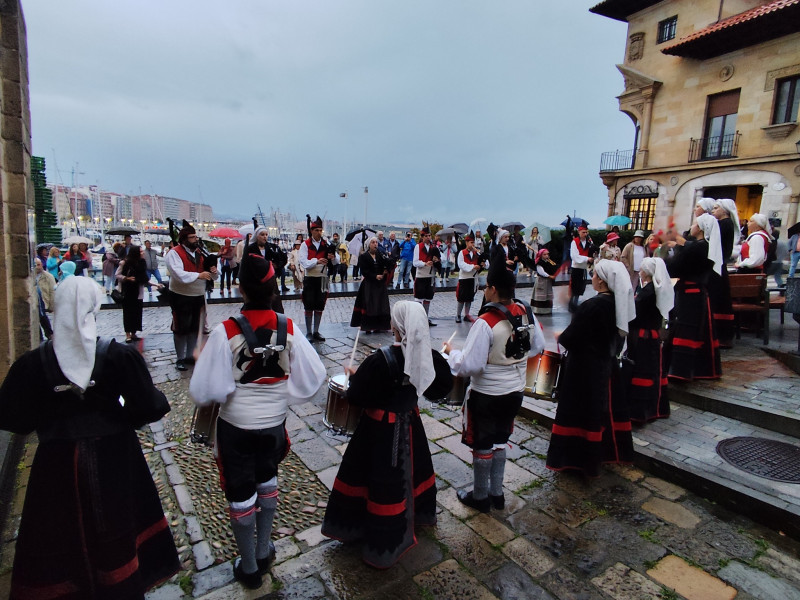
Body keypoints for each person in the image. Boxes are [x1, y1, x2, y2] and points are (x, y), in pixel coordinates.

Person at [0, 276, 180, 598]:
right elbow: (149, 406)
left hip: (55, 461)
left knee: (58, 531)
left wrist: (49, 413)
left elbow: (13, 418)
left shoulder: (31, 365)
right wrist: (119, 418)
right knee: (116, 524)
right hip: (113, 453)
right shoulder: (117, 357)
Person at [190, 250, 326, 589]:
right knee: (267, 479)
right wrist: (282, 394)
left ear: (241, 290)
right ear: (273, 289)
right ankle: (264, 550)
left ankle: (249, 568)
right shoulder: (289, 327)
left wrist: (203, 362)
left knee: (240, 492)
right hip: (274, 425)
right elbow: (315, 374)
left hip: (236, 428)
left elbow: (204, 391)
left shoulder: (225, 331)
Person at [322, 301, 452, 568]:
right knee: (411, 472)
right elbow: (440, 388)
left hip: (379, 432)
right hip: (410, 426)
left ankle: (377, 537)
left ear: (396, 327)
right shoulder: (428, 358)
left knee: (378, 478)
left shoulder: (379, 361)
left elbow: (357, 396)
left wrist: (355, 376)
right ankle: (418, 514)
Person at [444, 256, 545, 511]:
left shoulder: (486, 322)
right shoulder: (527, 312)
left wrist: (451, 353)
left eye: (487, 286)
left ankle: (480, 498)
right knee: (501, 439)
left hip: (487, 394)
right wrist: (514, 360)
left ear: (493, 289)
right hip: (514, 392)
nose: (484, 290)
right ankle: (497, 494)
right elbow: (538, 347)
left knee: (483, 443)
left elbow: (470, 366)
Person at [546, 259, 635, 477]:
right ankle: (599, 454)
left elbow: (572, 336)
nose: (592, 277)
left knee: (579, 413)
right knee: (597, 412)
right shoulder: (616, 302)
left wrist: (561, 335)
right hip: (605, 365)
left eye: (594, 275)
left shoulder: (593, 305)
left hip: (583, 370)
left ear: (602, 281)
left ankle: (576, 460)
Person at [666, 213, 722, 381]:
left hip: (690, 294)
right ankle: (698, 369)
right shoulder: (702, 246)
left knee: (687, 329)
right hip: (695, 293)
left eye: (694, 224)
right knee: (697, 331)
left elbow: (675, 267)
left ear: (700, 228)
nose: (691, 226)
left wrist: (673, 249)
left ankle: (681, 370)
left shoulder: (699, 247)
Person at [624, 257, 674, 423]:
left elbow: (634, 313)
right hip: (650, 336)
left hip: (643, 337)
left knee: (642, 371)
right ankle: (655, 407)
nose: (640, 272)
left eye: (642, 269)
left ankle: (641, 410)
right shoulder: (653, 288)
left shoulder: (648, 292)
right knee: (652, 370)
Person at [165, 221, 218, 371]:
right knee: (181, 327)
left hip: (198, 295)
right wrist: (198, 275)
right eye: (192, 237)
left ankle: (190, 355)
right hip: (180, 295)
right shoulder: (174, 253)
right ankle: (180, 358)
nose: (196, 240)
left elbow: (212, 276)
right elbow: (178, 274)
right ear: (184, 239)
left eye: (196, 237)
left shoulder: (201, 253)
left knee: (195, 327)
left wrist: (213, 271)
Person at [299, 215, 338, 341]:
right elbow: (304, 262)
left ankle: (316, 331)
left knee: (320, 304)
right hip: (310, 277)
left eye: (320, 230)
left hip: (323, 278)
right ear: (311, 231)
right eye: (316, 230)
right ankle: (309, 332)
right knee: (309, 304)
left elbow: (337, 261)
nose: (319, 233)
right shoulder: (305, 245)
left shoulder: (326, 244)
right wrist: (317, 261)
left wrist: (333, 258)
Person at [711, 199, 739, 347]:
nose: (713, 210)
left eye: (716, 208)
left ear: (725, 210)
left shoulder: (724, 224)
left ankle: (721, 336)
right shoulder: (724, 224)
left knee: (719, 302)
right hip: (719, 266)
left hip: (718, 266)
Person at [350, 236, 391, 333]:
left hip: (380, 284)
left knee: (380, 304)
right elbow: (364, 271)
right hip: (369, 283)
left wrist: (386, 270)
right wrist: (374, 276)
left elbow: (387, 265)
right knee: (369, 304)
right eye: (373, 242)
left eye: (376, 242)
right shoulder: (364, 257)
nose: (375, 244)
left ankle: (379, 326)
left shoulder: (380, 254)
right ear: (369, 245)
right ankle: (368, 326)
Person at [246, 226, 287, 313]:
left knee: (277, 306)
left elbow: (283, 258)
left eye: (266, 234)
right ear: (257, 236)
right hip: (257, 282)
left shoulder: (272, 247)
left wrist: (277, 266)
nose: (265, 237)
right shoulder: (250, 249)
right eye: (262, 235)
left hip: (271, 280)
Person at [117, 244, 148, 343]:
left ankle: (134, 333)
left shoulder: (142, 263)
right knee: (128, 313)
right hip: (128, 291)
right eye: (140, 252)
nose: (142, 253)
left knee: (137, 312)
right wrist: (126, 278)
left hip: (138, 290)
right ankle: (128, 334)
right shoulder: (124, 263)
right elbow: (117, 275)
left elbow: (144, 277)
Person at [412, 227, 440, 325]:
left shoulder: (434, 248)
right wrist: (424, 263)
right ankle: (418, 319)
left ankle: (425, 318)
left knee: (428, 297)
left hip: (430, 276)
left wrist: (437, 260)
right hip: (421, 276)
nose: (429, 237)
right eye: (427, 236)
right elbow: (415, 262)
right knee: (419, 298)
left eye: (429, 236)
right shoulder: (418, 247)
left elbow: (442, 259)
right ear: (422, 237)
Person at [455, 232, 480, 323]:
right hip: (464, 278)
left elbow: (483, 262)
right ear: (466, 243)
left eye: (473, 242)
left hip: (473, 278)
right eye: (471, 242)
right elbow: (461, 264)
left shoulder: (476, 253)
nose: (472, 244)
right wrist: (473, 266)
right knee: (461, 297)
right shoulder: (462, 252)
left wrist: (483, 262)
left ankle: (467, 314)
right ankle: (458, 314)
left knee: (469, 297)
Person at [568, 225, 594, 312]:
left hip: (583, 267)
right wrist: (586, 258)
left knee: (580, 287)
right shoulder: (574, 242)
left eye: (586, 232)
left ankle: (575, 303)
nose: (585, 234)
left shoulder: (588, 242)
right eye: (583, 232)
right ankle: (572, 305)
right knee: (574, 287)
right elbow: (574, 256)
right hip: (576, 267)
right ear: (579, 232)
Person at [532, 248, 558, 315]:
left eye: (547, 254)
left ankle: (547, 310)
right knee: (541, 295)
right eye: (544, 254)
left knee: (547, 295)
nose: (546, 256)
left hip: (548, 281)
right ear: (541, 255)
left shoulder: (549, 262)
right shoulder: (539, 263)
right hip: (542, 280)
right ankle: (539, 311)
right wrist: (550, 276)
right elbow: (541, 272)